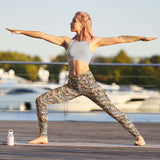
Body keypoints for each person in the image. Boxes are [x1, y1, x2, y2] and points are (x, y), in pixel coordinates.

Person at [6, 11, 157, 146]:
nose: (70, 23)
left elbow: (120, 38)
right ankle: (43, 136)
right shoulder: (67, 42)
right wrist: (21, 31)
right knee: (41, 101)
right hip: (72, 86)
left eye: (73, 21)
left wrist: (140, 38)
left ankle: (139, 137)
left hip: (88, 83)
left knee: (112, 110)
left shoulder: (93, 42)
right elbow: (43, 35)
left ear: (82, 24)